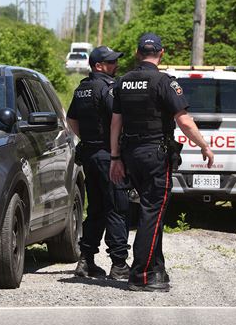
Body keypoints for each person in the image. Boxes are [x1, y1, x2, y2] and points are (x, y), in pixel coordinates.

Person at [109, 33, 214, 292]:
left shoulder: (122, 82)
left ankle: (156, 270)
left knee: (147, 211)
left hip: (130, 153)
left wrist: (115, 157)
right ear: (161, 53)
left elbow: (115, 124)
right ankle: (142, 275)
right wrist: (204, 145)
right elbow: (185, 121)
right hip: (155, 154)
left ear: (137, 53)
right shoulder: (164, 82)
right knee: (152, 213)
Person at [66, 45, 131, 280]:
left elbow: (71, 119)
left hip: (90, 154)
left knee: (96, 209)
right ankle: (119, 264)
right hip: (108, 154)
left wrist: (86, 138)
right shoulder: (108, 89)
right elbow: (118, 120)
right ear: (98, 66)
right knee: (116, 207)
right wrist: (116, 151)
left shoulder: (81, 89)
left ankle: (86, 261)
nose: (116, 65)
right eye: (111, 62)